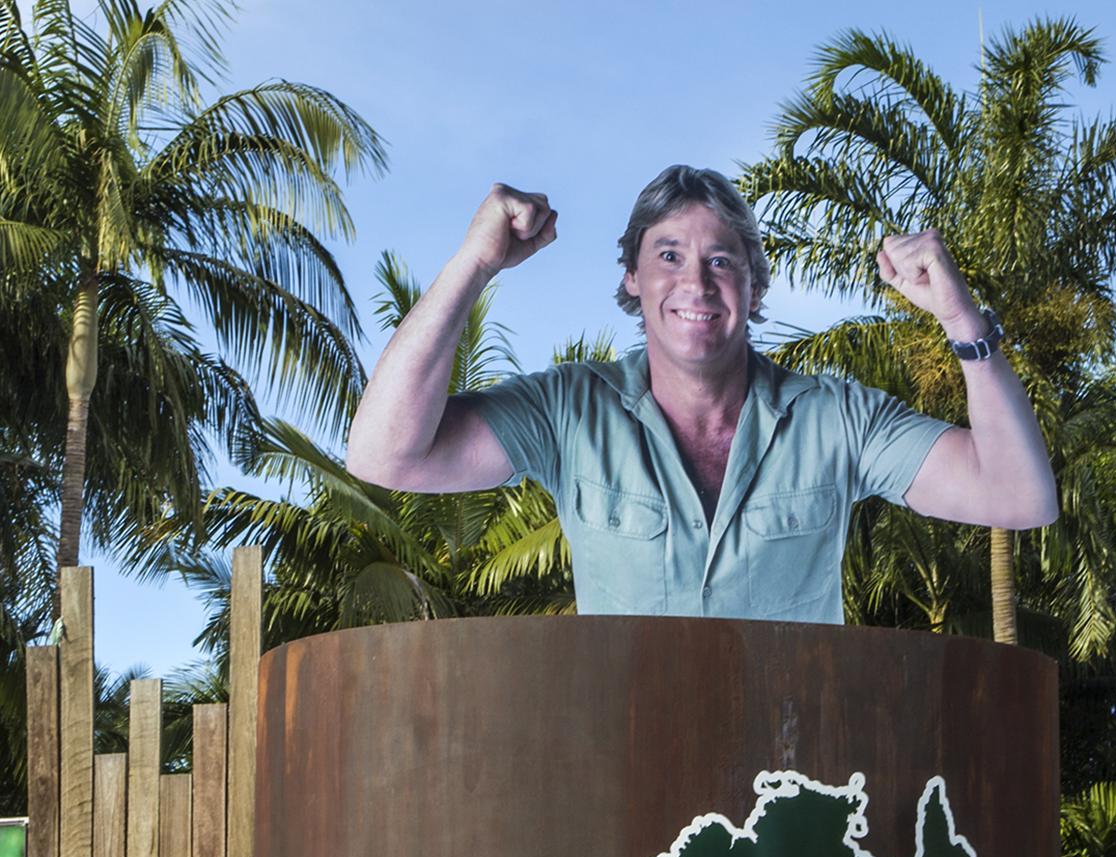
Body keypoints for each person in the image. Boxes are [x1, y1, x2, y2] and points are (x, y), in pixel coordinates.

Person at [346, 166, 1058, 620]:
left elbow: (1017, 496)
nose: (695, 283)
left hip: (791, 792)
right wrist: (475, 261)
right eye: (668, 257)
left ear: (754, 286)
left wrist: (961, 320)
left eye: (722, 260)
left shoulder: (839, 419)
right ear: (632, 278)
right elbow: (386, 456)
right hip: (626, 788)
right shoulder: (567, 412)